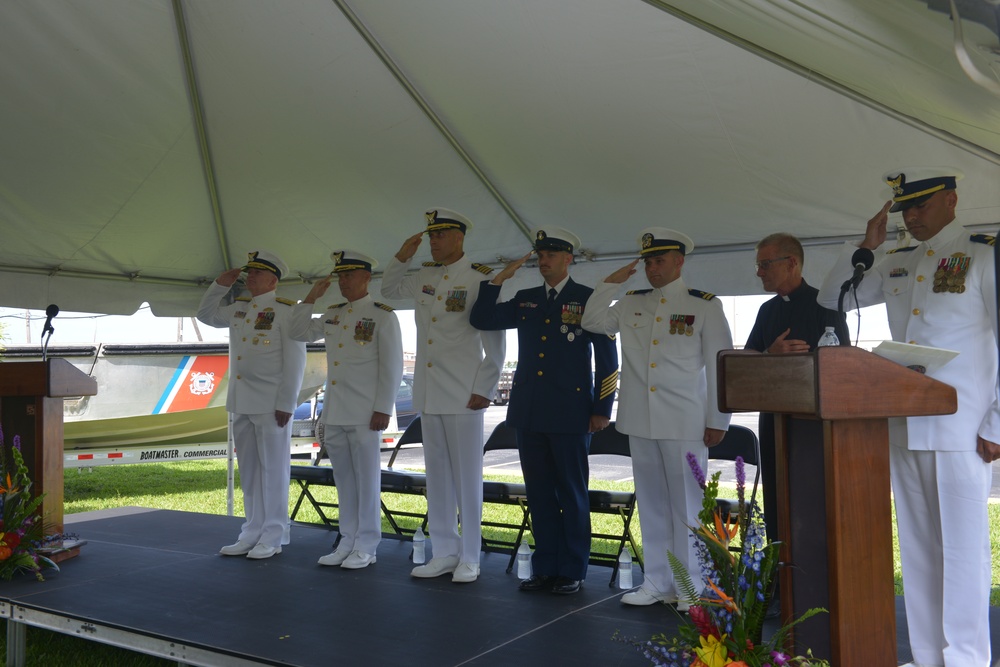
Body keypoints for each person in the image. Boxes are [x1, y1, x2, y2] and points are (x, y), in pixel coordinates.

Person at [817, 168, 998, 667]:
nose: (912, 217)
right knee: (919, 550)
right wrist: (866, 246)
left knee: (962, 551)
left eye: (920, 206)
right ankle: (927, 655)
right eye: (905, 210)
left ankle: (965, 658)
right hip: (904, 423)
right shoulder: (897, 261)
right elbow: (832, 299)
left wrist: (997, 424)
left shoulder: (983, 253)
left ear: (952, 201)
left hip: (964, 426)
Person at [581, 227, 733, 608]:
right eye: (648, 261)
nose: (652, 267)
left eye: (659, 260)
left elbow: (720, 367)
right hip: (639, 420)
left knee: (687, 506)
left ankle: (692, 587)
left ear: (679, 261)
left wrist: (719, 419)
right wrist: (608, 284)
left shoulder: (704, 306)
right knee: (650, 504)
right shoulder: (631, 302)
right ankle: (658, 582)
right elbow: (592, 322)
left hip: (685, 421)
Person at [469, 227, 618, 595]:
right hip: (530, 411)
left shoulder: (587, 298)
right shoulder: (526, 298)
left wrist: (602, 407)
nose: (544, 260)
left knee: (571, 492)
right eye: (540, 255)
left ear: (568, 259)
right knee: (538, 493)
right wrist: (497, 281)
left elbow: (608, 359)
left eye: (551, 255)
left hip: (571, 413)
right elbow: (482, 318)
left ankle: (572, 570)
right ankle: (545, 567)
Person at [381, 208, 505, 584]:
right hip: (430, 392)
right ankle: (444, 552)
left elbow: (494, 341)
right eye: (430, 236)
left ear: (459, 238)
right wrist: (402, 256)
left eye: (440, 235)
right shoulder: (424, 277)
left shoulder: (480, 278)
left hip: (463, 392)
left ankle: (470, 555)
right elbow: (387, 289)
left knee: (467, 477)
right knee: (436, 476)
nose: (433, 241)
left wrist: (484, 388)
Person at [289, 250, 403, 570]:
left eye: (349, 275)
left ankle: (367, 545)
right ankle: (347, 540)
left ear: (367, 278)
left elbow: (392, 367)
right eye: (340, 276)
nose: (343, 281)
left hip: (366, 413)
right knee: (344, 480)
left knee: (366, 481)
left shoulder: (383, 315)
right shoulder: (333, 312)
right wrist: (311, 297)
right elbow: (297, 331)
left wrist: (382, 408)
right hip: (337, 410)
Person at [197, 250, 307, 560]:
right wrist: (220, 285)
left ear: (273, 280)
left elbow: (295, 362)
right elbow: (205, 315)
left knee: (273, 469)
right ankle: (252, 530)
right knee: (249, 470)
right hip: (242, 401)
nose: (250, 277)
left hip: (272, 404)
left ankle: (273, 534)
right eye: (250, 272)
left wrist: (287, 401)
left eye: (257, 273)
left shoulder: (287, 311)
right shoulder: (239, 308)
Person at [744, 233, 849, 546]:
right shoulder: (766, 311)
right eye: (758, 265)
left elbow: (842, 367)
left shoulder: (826, 305)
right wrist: (770, 355)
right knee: (776, 497)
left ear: (791, 263)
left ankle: (814, 582)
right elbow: (745, 364)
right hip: (774, 420)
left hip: (813, 424)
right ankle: (780, 580)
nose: (759, 272)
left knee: (812, 500)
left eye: (765, 264)